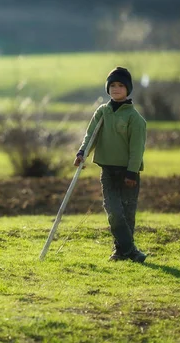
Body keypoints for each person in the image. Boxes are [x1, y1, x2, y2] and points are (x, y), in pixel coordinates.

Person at [74, 66, 148, 263]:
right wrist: (82, 152)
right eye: (113, 85)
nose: (116, 89)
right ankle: (131, 251)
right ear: (108, 88)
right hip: (107, 170)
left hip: (128, 173)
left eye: (121, 85)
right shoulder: (103, 112)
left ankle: (120, 251)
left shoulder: (135, 119)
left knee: (127, 213)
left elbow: (136, 149)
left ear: (127, 89)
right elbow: (91, 135)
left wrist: (132, 173)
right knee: (114, 212)